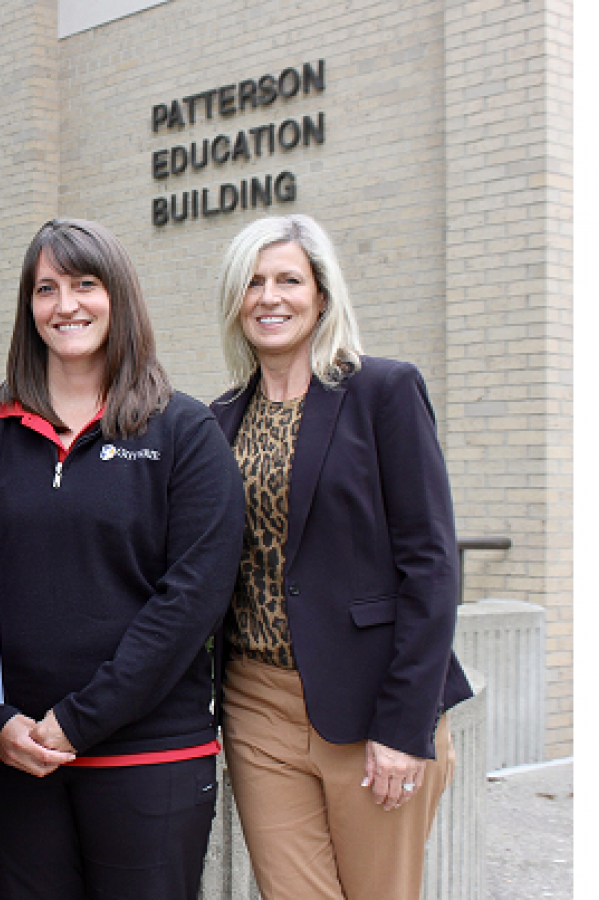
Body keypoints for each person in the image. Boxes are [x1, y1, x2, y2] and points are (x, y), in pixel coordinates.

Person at [0, 218, 244, 899]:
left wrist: (78, 721)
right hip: (9, 757)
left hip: (149, 754)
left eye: (85, 284)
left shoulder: (184, 433)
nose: (66, 305)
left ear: (120, 296)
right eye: (46, 289)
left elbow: (192, 597)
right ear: (28, 309)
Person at [209, 214, 472, 900]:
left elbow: (432, 564)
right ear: (236, 302)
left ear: (321, 295)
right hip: (256, 702)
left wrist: (405, 725)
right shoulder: (218, 419)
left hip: (370, 703)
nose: (270, 296)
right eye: (254, 282)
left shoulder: (383, 392)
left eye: (289, 279)